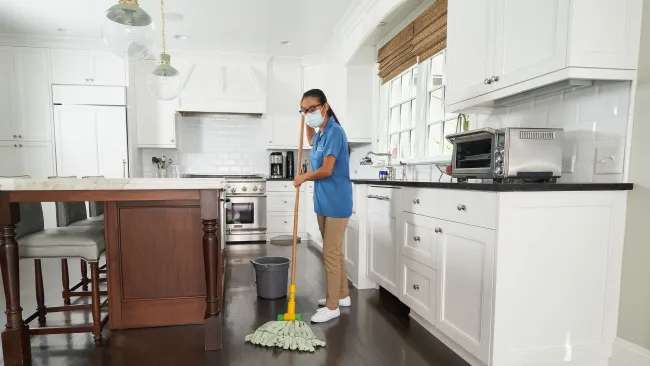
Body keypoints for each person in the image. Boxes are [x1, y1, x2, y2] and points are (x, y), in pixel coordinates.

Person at [293, 89, 353, 323]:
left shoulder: (335, 132)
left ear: (325, 107)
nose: (309, 114)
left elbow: (327, 170)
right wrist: (305, 118)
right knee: (335, 251)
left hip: (337, 202)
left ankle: (332, 306)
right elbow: (309, 139)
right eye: (305, 110)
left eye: (312, 109)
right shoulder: (320, 134)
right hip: (323, 202)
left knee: (329, 253)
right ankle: (343, 295)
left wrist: (304, 177)